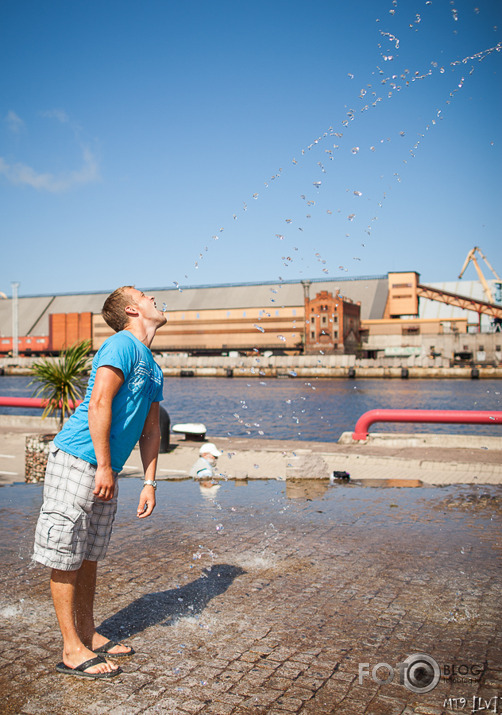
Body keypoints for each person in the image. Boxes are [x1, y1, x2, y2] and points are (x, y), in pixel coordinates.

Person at [32, 286, 167, 679]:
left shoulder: (152, 364)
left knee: (89, 553)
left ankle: (88, 633)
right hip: (79, 459)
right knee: (65, 550)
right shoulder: (120, 345)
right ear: (130, 309)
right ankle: (71, 649)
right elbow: (99, 404)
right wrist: (105, 465)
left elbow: (152, 429)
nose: (153, 297)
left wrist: (149, 482)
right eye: (144, 295)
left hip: (104, 467)